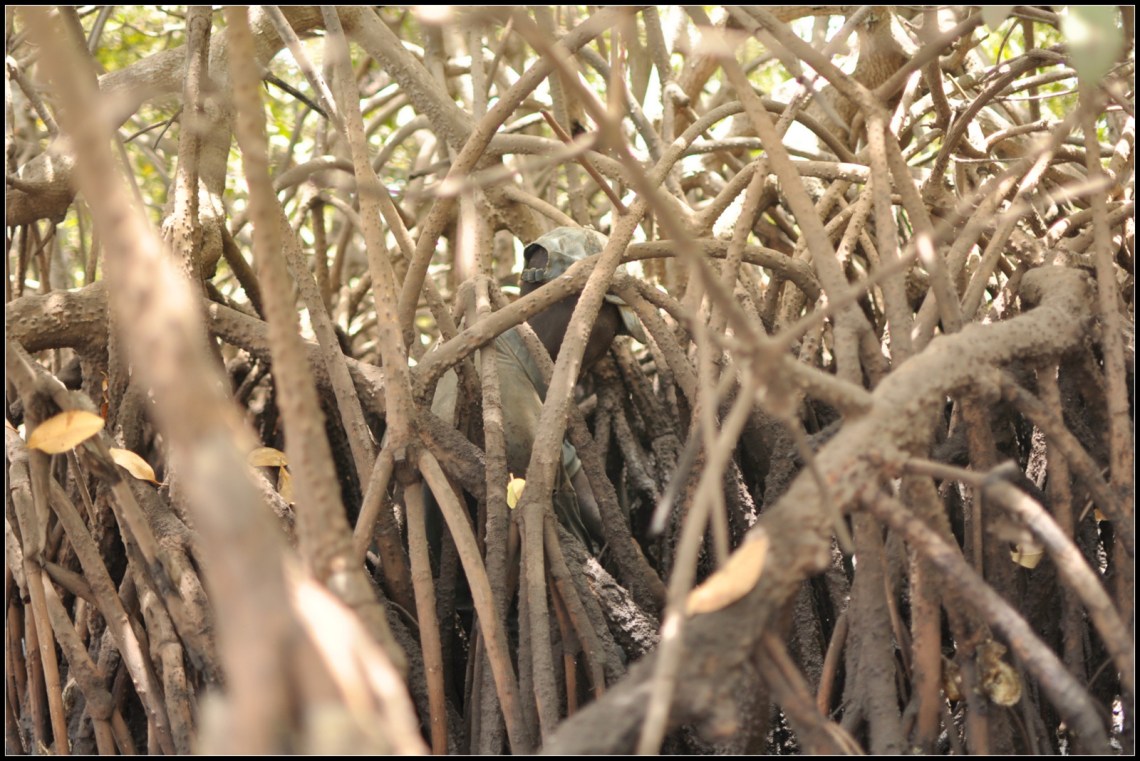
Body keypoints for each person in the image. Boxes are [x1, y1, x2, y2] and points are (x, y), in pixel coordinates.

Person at [431, 227, 644, 551]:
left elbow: (571, 471)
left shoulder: (508, 356)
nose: (609, 345)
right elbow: (562, 550)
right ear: (579, 304)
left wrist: (625, 541)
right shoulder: (507, 401)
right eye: (614, 326)